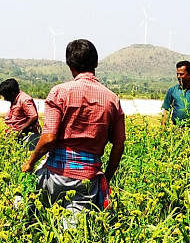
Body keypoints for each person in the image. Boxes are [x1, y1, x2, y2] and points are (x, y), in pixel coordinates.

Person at [21, 39, 125, 226]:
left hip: (55, 175)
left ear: (70, 64)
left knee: (37, 222)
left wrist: (30, 162)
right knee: (70, 237)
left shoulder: (60, 92)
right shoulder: (112, 99)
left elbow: (49, 138)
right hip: (87, 179)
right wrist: (106, 177)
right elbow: (118, 145)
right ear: (96, 63)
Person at [0, 78, 41, 148]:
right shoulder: (14, 99)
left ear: (12, 93)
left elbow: (34, 116)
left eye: (5, 95)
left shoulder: (24, 99)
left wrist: (20, 130)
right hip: (17, 136)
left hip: (27, 136)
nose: (5, 98)